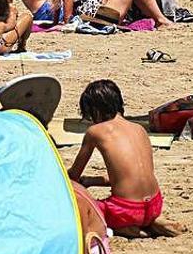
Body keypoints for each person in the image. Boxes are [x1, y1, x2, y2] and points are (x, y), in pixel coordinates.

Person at [68, 80, 178, 238]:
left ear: (95, 110)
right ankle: (151, 222)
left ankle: (128, 229)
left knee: (87, 208)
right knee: (140, 208)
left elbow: (74, 175)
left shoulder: (95, 132)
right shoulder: (139, 129)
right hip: (154, 204)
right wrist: (93, 181)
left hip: (125, 211)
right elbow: (133, 176)